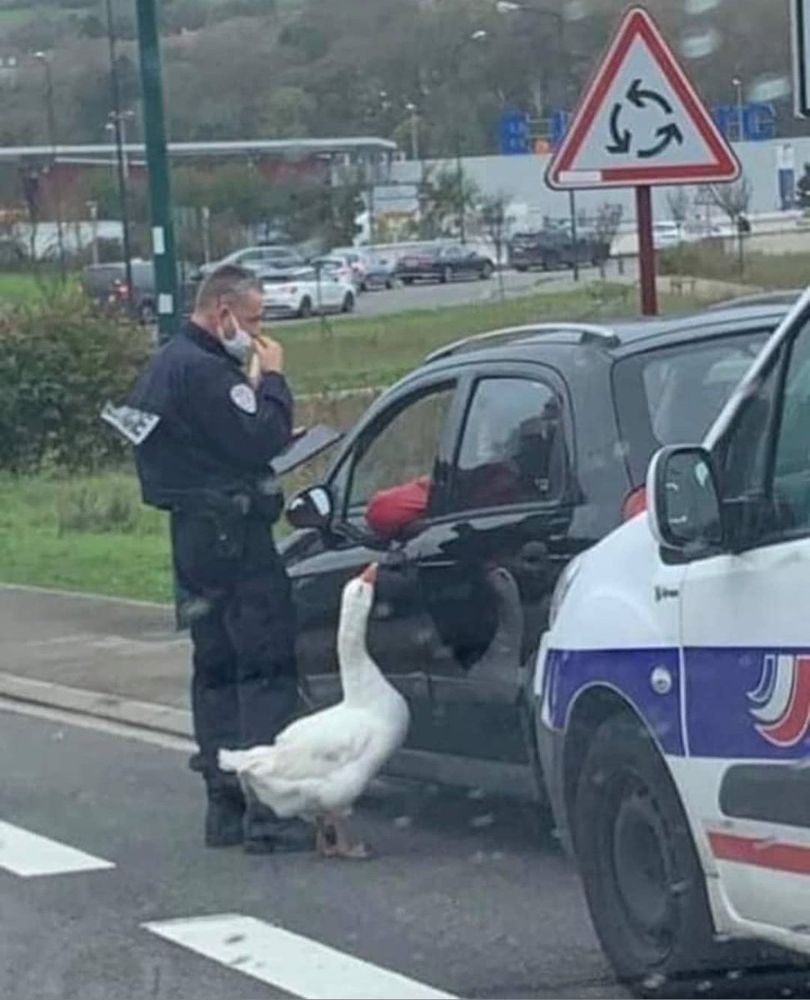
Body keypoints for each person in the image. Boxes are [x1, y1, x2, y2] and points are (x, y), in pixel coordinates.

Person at [124, 265, 313, 854]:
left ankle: (224, 806)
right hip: (237, 537)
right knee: (263, 669)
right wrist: (274, 383)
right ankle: (272, 815)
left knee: (214, 672)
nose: (257, 335)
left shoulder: (162, 367)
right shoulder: (208, 373)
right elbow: (261, 441)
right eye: (253, 321)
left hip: (193, 538)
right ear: (222, 310)